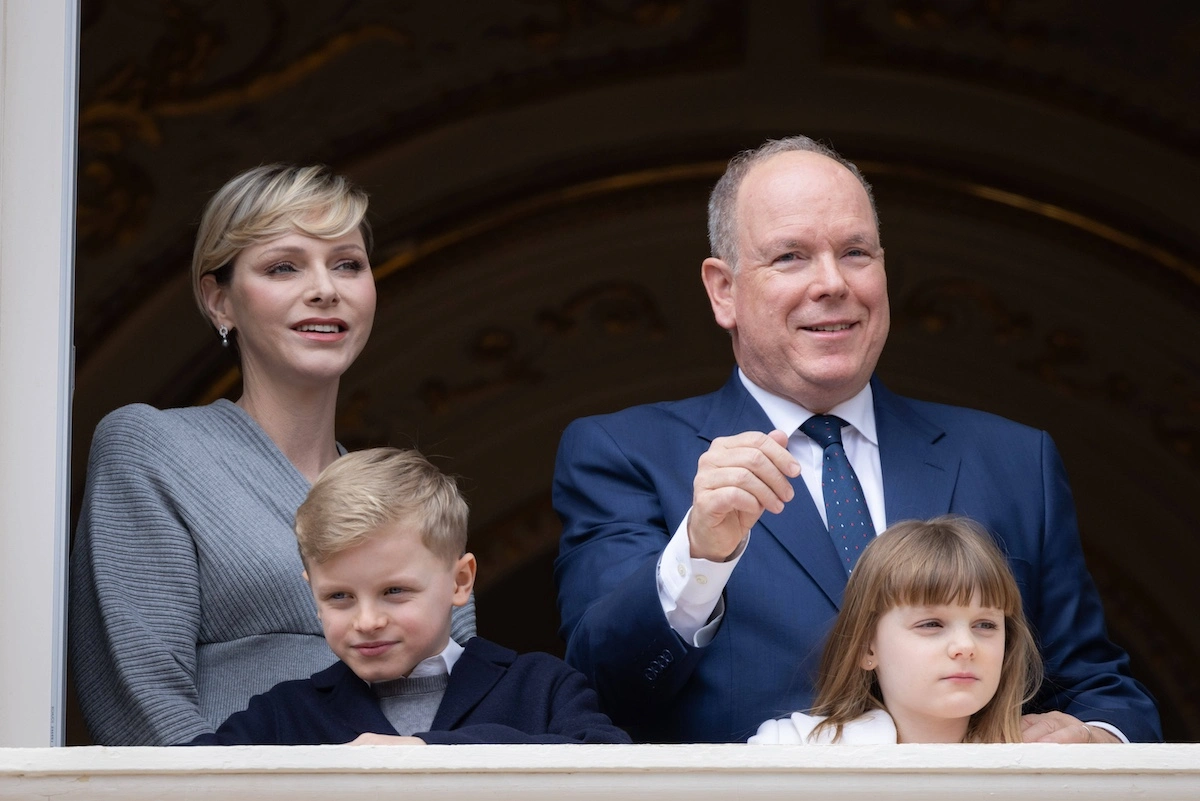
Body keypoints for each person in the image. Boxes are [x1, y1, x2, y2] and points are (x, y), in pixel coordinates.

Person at [553, 136, 1161, 744]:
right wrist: (700, 553)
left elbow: (1098, 688)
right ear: (724, 290)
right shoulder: (623, 453)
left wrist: (1098, 739)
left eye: (855, 252)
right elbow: (604, 688)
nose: (832, 283)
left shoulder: (1011, 460)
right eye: (791, 256)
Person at [70, 164, 474, 745]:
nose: (324, 288)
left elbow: (467, 694)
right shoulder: (152, 447)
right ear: (219, 302)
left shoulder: (406, 496)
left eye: (347, 264)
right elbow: (142, 707)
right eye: (284, 266)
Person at [190, 448, 630, 745]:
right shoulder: (283, 715)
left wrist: (426, 753)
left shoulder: (542, 686)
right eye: (339, 596)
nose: (367, 620)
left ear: (460, 582)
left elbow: (612, 767)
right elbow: (183, 782)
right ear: (311, 592)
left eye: (394, 591)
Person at [750, 516, 1042, 744]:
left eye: (985, 624)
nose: (965, 645)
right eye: (931, 624)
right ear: (867, 646)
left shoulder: (1045, 768)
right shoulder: (791, 749)